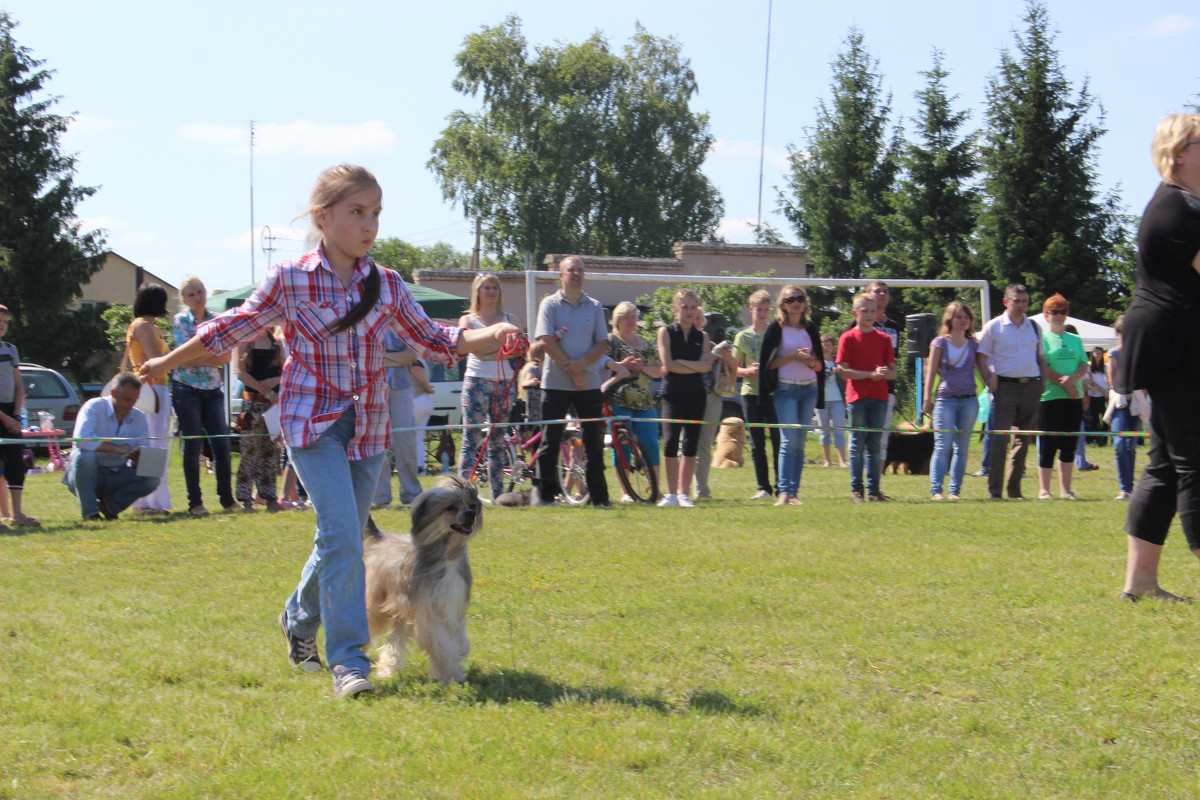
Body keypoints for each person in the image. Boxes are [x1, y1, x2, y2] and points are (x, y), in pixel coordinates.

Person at [138, 164, 523, 698]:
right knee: (344, 535)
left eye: (376, 214)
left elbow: (435, 340)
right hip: (310, 422)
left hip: (368, 426)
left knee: (335, 537)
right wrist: (165, 363)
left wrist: (492, 333)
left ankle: (297, 619)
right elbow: (230, 328)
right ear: (323, 217)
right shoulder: (290, 279)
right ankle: (350, 663)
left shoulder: (386, 284)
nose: (369, 225)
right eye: (357, 212)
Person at [1118, 114, 1200, 602]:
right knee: (1195, 460)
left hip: (1174, 341)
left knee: (1168, 464)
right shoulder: (1178, 210)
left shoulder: (1186, 205)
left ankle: (1141, 584)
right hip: (1175, 344)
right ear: (1179, 153)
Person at [534, 255, 611, 507]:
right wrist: (575, 372)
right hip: (555, 384)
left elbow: (602, 343)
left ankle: (599, 498)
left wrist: (581, 366)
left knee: (593, 441)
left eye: (580, 270)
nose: (576, 274)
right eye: (571, 270)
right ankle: (546, 497)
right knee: (550, 441)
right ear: (561, 275)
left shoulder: (595, 306)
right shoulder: (549, 305)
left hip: (588, 387)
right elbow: (545, 340)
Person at [976, 284, 1048, 500]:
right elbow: (981, 357)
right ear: (1006, 302)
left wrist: (1042, 384)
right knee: (999, 441)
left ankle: (1014, 491)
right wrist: (989, 378)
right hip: (1004, 389)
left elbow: (1041, 358)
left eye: (1024, 301)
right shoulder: (994, 326)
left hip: (1031, 388)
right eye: (1016, 301)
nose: (1021, 305)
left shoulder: (1034, 327)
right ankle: (995, 492)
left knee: (1023, 441)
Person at [171, 277, 236, 516]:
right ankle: (195, 503)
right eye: (191, 294)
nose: (198, 296)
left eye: (200, 291)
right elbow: (182, 359)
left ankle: (227, 499)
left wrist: (196, 356)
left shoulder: (216, 320)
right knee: (193, 445)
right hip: (186, 389)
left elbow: (226, 357)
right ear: (184, 299)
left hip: (212, 389)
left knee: (221, 444)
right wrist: (210, 354)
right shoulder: (180, 321)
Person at [759, 285, 825, 506]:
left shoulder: (811, 329)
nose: (795, 302)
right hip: (785, 390)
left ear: (805, 303)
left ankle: (794, 493)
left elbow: (819, 367)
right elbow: (769, 365)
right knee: (788, 441)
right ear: (783, 305)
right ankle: (784, 492)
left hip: (809, 389)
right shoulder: (775, 329)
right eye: (790, 299)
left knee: (800, 443)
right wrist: (793, 357)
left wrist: (810, 361)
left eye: (799, 298)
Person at [457, 272, 521, 501]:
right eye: (487, 287)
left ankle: (498, 495)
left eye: (495, 287)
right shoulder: (468, 320)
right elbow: (469, 349)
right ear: (478, 291)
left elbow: (518, 349)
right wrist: (498, 350)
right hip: (476, 382)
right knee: (471, 440)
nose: (492, 291)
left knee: (498, 441)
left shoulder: (509, 318)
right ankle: (462, 494)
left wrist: (488, 350)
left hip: (505, 383)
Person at [64, 372, 160, 520]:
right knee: (86, 457)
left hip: (118, 474)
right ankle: (90, 513)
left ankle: (110, 507)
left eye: (134, 400)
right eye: (127, 399)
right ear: (114, 393)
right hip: (87, 474)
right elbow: (81, 440)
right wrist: (116, 448)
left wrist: (139, 459)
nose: (131, 404)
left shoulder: (139, 417)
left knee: (152, 477)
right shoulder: (93, 406)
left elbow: (144, 449)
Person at [836, 293, 896, 502]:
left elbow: (894, 371)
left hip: (880, 398)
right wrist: (869, 375)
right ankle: (856, 490)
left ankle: (873, 490)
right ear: (855, 313)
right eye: (864, 311)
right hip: (857, 398)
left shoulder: (884, 339)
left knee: (875, 445)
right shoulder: (848, 338)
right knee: (857, 445)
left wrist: (884, 374)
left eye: (873, 311)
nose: (869, 315)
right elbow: (842, 370)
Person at [656, 288, 712, 508]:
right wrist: (695, 365)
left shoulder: (703, 336)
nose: (689, 311)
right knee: (670, 442)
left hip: (696, 394)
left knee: (691, 444)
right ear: (675, 309)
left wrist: (684, 364)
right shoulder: (665, 332)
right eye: (685, 306)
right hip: (672, 394)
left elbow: (707, 366)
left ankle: (684, 494)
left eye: (692, 307)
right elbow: (667, 365)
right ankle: (670, 495)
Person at [603, 302, 664, 502]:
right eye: (626, 317)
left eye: (633, 316)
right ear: (617, 320)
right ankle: (626, 491)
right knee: (623, 446)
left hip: (645, 402)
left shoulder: (646, 343)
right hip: (618, 400)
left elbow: (659, 370)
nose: (630, 321)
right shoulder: (610, 341)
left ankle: (655, 490)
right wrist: (624, 366)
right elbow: (602, 367)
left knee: (650, 445)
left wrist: (642, 368)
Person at [922, 301, 982, 501]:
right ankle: (936, 490)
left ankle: (955, 491)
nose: (963, 320)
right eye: (959, 316)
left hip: (969, 400)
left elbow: (984, 370)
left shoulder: (974, 344)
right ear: (950, 319)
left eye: (966, 317)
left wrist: (994, 382)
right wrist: (926, 398)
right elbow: (930, 372)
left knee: (962, 447)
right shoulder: (940, 342)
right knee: (942, 445)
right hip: (945, 399)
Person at [125, 283, 173, 514]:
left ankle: (149, 501)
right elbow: (154, 359)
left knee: (157, 445)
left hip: (158, 388)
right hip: (150, 389)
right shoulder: (143, 326)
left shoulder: (150, 326)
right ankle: (149, 502)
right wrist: (171, 356)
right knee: (153, 446)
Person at [1035, 295, 1088, 500]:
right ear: (1046, 315)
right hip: (1050, 397)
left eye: (1062, 311)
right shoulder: (1041, 339)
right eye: (1054, 311)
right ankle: (1044, 489)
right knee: (1048, 444)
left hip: (1074, 398)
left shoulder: (1075, 339)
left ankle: (1066, 490)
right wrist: (1064, 383)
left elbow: (1084, 364)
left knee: (1069, 444)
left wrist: (1074, 379)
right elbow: (1042, 366)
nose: (1058, 315)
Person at [733, 290, 780, 497]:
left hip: (773, 392)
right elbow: (734, 368)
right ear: (750, 309)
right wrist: (749, 371)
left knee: (779, 440)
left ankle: (782, 486)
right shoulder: (742, 336)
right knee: (756, 443)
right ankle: (763, 487)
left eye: (765, 310)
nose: (762, 313)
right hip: (750, 392)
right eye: (758, 309)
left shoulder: (776, 333)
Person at [369, 330, 423, 508]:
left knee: (406, 442)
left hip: (401, 388)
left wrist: (381, 359)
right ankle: (380, 497)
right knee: (376, 444)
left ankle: (412, 494)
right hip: (372, 387)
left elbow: (412, 355)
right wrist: (396, 358)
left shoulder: (400, 322)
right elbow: (365, 356)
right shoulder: (366, 319)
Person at [234, 326, 284, 512]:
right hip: (252, 404)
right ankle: (245, 498)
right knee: (249, 452)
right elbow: (240, 373)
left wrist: (275, 382)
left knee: (270, 452)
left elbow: (286, 370)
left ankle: (270, 496)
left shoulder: (276, 343)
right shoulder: (244, 343)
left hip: (272, 406)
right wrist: (266, 389)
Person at [692, 309, 737, 500]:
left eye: (698, 319)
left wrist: (725, 355)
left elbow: (734, 369)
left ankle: (702, 491)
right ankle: (679, 490)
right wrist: (712, 355)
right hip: (690, 396)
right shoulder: (681, 344)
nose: (695, 322)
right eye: (692, 318)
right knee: (685, 444)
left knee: (704, 445)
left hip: (712, 397)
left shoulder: (712, 344)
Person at [0, 305, 37, 528]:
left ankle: (18, 514)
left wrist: (16, 415)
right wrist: (5, 419)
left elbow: (17, 382)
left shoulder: (11, 350)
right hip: (2, 416)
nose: (2, 326)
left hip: (11, 413)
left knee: (16, 463)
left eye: (5, 322)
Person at [1105, 316, 1141, 501]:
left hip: (1136, 403)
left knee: (1131, 446)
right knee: (1119, 445)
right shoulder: (1114, 353)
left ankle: (1130, 487)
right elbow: (1112, 380)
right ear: (1117, 333)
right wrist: (1124, 391)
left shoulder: (1138, 353)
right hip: (1120, 403)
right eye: (1121, 332)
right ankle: (1124, 488)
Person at [815, 333, 848, 468]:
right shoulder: (816, 362)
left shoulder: (838, 362)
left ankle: (842, 460)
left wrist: (839, 371)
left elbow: (846, 377)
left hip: (838, 400)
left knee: (839, 429)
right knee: (824, 430)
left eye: (829, 344)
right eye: (824, 344)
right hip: (821, 400)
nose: (826, 347)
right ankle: (827, 460)